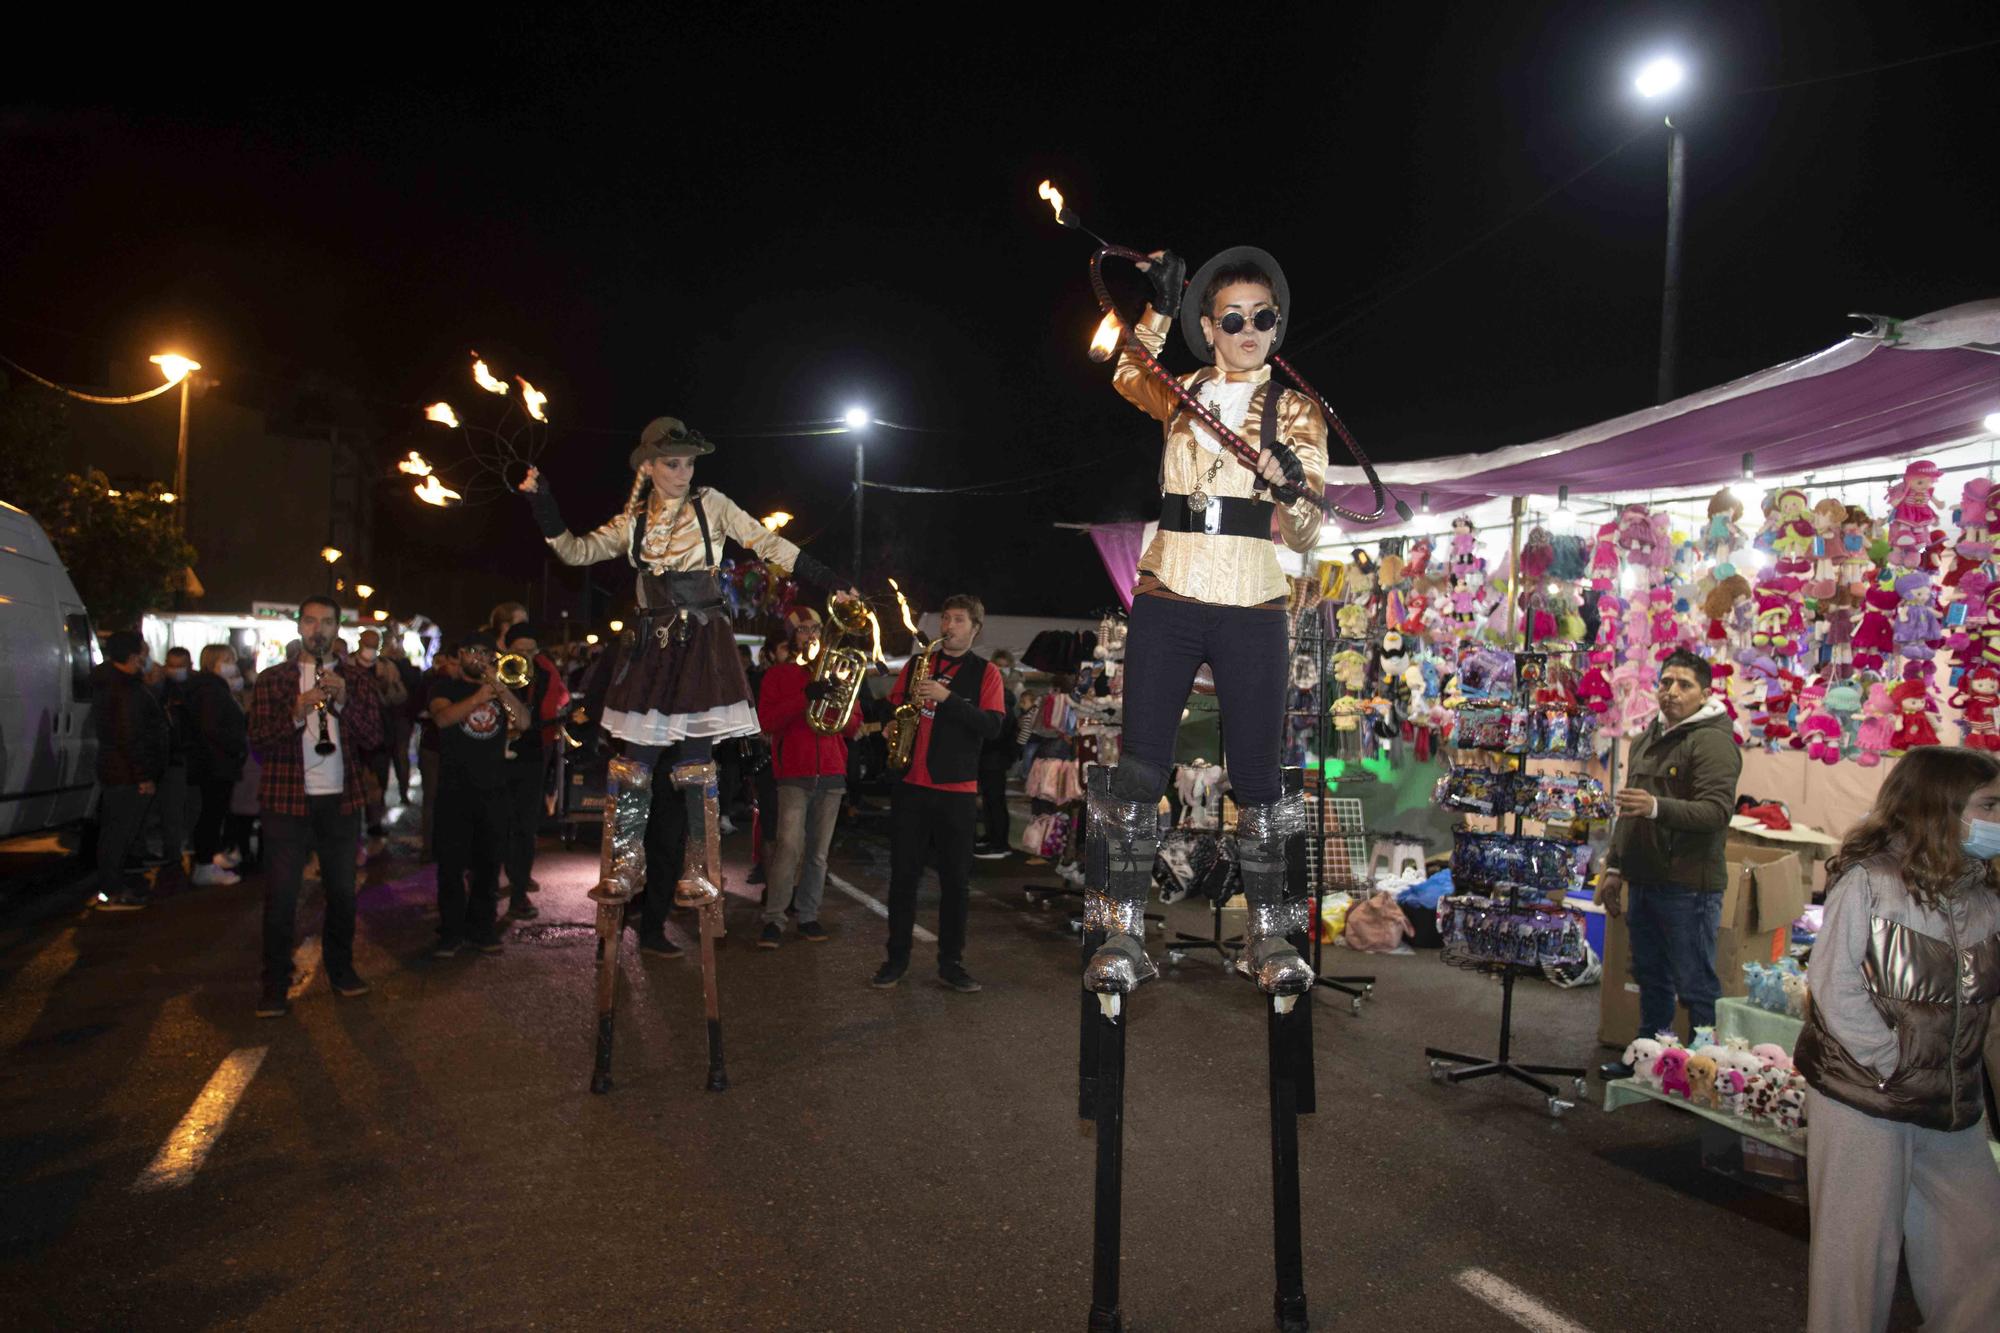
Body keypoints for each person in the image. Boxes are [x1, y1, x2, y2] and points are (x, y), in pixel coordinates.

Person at [518, 416, 850, 1089]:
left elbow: (768, 545)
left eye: (689, 462)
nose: (684, 472)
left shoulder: (714, 505)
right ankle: (626, 868)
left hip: (701, 644)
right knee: (633, 764)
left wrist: (830, 580)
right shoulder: (633, 522)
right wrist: (541, 498)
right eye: (672, 463)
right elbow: (576, 552)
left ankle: (699, 872)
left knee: (697, 762)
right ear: (649, 466)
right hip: (648, 649)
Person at [1087, 245, 1328, 997]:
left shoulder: (1295, 408)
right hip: (1170, 591)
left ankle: (1272, 936)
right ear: (1210, 327)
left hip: (1254, 598)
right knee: (1138, 767)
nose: (1250, 327)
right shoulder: (1181, 390)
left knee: (1259, 775)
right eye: (1234, 317)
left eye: (1263, 316)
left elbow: (1308, 530)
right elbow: (1126, 373)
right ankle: (1121, 928)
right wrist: (1155, 308)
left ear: (1276, 325)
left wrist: (1290, 482)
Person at [1794, 746, 2000, 1333]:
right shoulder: (1870, 883)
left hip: (1952, 1105)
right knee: (1856, 1266)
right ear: (1940, 806)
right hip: (1867, 1099)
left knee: (1981, 1252)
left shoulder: (1984, 894)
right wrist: (1894, 1065)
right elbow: (1833, 990)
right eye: (1989, 804)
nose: (1999, 817)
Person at [1595, 648, 1743, 1078]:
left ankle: (1705, 1075)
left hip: (1688, 886)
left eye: (1684, 684)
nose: (1671, 692)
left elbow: (1717, 812)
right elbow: (1629, 810)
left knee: (1696, 984)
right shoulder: (1646, 738)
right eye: (1665, 682)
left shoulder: (1714, 742)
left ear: (1706, 693)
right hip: (1643, 880)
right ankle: (1651, 1062)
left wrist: (1659, 806)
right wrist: (1615, 869)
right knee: (1650, 977)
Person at [246, 596, 383, 1016]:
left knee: (342, 892)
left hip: (340, 801)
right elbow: (259, 741)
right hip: (287, 800)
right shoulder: (273, 679)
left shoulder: (356, 680)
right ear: (299, 627)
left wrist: (343, 702)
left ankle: (341, 970)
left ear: (337, 630)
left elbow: (374, 737)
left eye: (326, 622)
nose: (318, 629)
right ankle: (274, 984)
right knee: (282, 895)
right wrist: (296, 710)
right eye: (310, 621)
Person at [872, 595, 1005, 992]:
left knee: (955, 883)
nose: (949, 625)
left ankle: (951, 962)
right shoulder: (918, 663)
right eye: (945, 618)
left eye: (958, 620)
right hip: (911, 785)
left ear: (975, 628)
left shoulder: (987, 673)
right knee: (903, 879)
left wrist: (948, 700)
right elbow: (896, 708)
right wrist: (891, 727)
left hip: (956, 791)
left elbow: (993, 726)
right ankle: (895, 960)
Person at [755, 605, 859, 947]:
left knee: (818, 854)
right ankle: (774, 918)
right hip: (794, 775)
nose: (811, 635)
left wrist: (834, 695)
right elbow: (767, 721)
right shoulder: (779, 675)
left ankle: (808, 915)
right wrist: (805, 697)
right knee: (788, 848)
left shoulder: (837, 672)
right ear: (791, 636)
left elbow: (853, 724)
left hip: (831, 773)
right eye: (804, 630)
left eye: (816, 629)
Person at [427, 634, 528, 956]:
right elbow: (443, 718)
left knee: (488, 865)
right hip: (454, 791)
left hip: (493, 790)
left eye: (485, 652)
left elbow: (524, 721)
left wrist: (500, 689)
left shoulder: (499, 690)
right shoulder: (444, 687)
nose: (479, 657)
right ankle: (451, 932)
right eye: (473, 651)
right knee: (451, 865)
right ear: (461, 654)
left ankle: (482, 929)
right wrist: (479, 696)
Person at [90, 630, 168, 911]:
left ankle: (113, 886)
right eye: (144, 654)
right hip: (126, 775)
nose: (147, 659)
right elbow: (130, 736)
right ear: (134, 656)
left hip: (120, 772)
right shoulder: (124, 690)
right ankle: (111, 891)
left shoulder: (114, 684)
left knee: (117, 833)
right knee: (118, 834)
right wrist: (143, 776)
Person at [496, 621, 554, 919]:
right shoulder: (495, 671)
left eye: (531, 651)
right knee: (496, 825)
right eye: (519, 651)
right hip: (495, 758)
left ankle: (518, 894)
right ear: (507, 649)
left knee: (525, 828)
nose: (525, 657)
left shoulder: (543, 675)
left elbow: (550, 713)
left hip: (529, 757)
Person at [186, 644, 249, 886]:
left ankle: (208, 860)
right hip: (215, 764)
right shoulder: (211, 691)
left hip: (216, 762)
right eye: (227, 659)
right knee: (211, 814)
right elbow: (212, 728)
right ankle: (204, 866)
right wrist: (236, 743)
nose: (232, 663)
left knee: (214, 813)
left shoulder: (214, 689)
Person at [347, 628, 405, 856]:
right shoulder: (347, 666)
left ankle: (374, 821)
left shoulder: (387, 668)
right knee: (353, 781)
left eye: (374, 644)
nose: (370, 649)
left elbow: (401, 697)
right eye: (367, 643)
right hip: (353, 734)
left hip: (380, 733)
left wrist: (386, 688)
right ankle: (353, 824)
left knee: (377, 781)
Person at [974, 648, 1020, 858]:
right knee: (990, 799)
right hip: (992, 757)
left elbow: (998, 732)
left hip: (995, 757)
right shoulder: (1001, 701)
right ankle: (992, 837)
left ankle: (999, 843)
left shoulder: (1003, 702)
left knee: (995, 800)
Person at [417, 649, 460, 862]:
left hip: (453, 748)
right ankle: (428, 847)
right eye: (448, 663)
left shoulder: (467, 685)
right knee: (432, 798)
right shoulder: (433, 682)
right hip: (433, 747)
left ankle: (445, 844)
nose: (451, 667)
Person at [382, 633, 424, 805]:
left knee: (401, 756)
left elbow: (414, 687)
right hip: (384, 717)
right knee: (386, 758)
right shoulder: (380, 664)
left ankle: (403, 792)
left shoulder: (406, 666)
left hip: (400, 717)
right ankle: (383, 797)